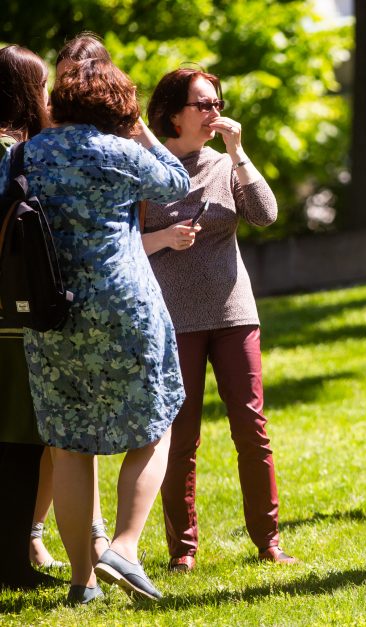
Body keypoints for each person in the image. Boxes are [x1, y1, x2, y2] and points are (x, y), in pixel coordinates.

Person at [1, 57, 191, 604]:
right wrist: (140, 129)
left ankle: (82, 584)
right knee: (158, 419)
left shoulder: (24, 154)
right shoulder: (121, 152)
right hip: (125, 308)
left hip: (50, 314)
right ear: (118, 108)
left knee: (66, 444)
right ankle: (124, 548)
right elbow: (177, 182)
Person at [143, 68, 293, 572]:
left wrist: (239, 154)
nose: (214, 113)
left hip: (234, 313)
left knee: (251, 428)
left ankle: (268, 542)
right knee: (180, 437)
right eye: (202, 105)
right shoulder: (145, 167)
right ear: (173, 113)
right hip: (174, 318)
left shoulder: (225, 163)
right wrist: (164, 239)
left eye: (216, 103)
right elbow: (119, 245)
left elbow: (266, 215)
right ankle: (182, 551)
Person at [29, 29, 113, 574]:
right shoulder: (37, 148)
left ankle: (93, 551)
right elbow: (172, 181)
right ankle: (66, 541)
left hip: (70, 303)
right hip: (52, 299)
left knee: (76, 432)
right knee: (65, 436)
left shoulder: (49, 148)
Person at [0, 43, 61, 591]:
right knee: (20, 439)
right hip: (12, 315)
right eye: (41, 86)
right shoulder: (17, 152)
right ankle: (12, 564)